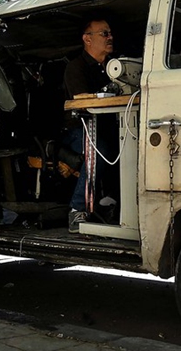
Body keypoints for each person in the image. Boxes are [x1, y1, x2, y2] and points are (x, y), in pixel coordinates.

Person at [63, 18, 118, 233]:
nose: (110, 37)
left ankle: (111, 203)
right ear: (87, 39)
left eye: (110, 33)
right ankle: (77, 209)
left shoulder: (114, 66)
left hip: (108, 128)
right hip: (78, 129)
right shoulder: (76, 67)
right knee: (99, 152)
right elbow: (81, 99)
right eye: (104, 34)